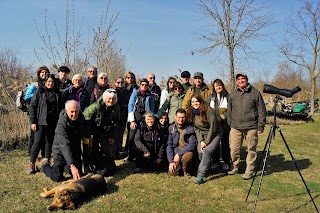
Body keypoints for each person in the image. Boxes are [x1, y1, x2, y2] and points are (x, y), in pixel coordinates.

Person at [227, 72, 267, 180]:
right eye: (239, 79)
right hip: (235, 126)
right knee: (234, 149)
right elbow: (229, 110)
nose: (241, 81)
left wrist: (260, 126)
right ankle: (235, 167)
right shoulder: (233, 94)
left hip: (251, 126)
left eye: (243, 78)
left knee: (251, 149)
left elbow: (261, 110)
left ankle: (249, 171)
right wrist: (230, 122)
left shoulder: (255, 93)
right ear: (236, 81)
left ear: (247, 79)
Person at [37, 100, 85, 182]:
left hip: (74, 151)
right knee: (57, 177)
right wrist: (72, 165)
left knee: (79, 174)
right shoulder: (61, 124)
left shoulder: (81, 119)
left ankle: (67, 165)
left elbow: (85, 136)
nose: (74, 114)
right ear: (66, 111)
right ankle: (45, 166)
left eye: (76, 111)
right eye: (72, 112)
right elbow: (64, 145)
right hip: (60, 151)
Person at [28, 74, 63, 174]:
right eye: (48, 81)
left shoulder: (57, 93)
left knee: (49, 142)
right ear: (45, 82)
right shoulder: (39, 92)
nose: (50, 83)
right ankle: (32, 164)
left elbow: (60, 108)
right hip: (41, 122)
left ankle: (46, 162)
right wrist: (33, 122)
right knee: (37, 142)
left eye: (52, 82)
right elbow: (32, 107)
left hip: (53, 122)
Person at [83, 89, 120, 174]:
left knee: (107, 147)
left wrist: (111, 136)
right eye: (109, 99)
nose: (111, 101)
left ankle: (102, 164)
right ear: (104, 98)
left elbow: (115, 123)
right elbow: (86, 121)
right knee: (89, 146)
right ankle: (86, 165)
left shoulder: (117, 108)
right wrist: (89, 137)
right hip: (89, 129)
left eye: (113, 99)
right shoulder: (95, 107)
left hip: (103, 131)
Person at [186, 94, 221, 184]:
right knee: (200, 152)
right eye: (193, 102)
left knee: (207, 151)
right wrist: (201, 141)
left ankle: (200, 175)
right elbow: (196, 128)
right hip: (203, 135)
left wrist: (206, 142)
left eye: (197, 101)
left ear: (201, 101)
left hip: (215, 134)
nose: (195, 103)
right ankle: (207, 169)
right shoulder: (192, 112)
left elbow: (213, 127)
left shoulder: (209, 110)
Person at [125, 78, 155, 162]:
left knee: (141, 138)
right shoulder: (135, 93)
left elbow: (152, 107)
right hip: (134, 119)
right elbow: (130, 105)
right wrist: (132, 120)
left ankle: (141, 155)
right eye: (142, 85)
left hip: (144, 120)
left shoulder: (150, 95)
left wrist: (150, 119)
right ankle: (130, 156)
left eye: (146, 85)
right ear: (140, 85)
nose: (144, 86)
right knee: (131, 138)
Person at [24, 66, 50, 157]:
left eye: (46, 72)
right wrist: (39, 94)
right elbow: (26, 97)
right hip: (35, 112)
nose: (44, 74)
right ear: (39, 74)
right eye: (42, 72)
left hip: (44, 113)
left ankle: (44, 154)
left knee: (44, 135)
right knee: (34, 134)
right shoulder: (35, 84)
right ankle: (31, 153)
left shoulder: (49, 83)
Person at [208, 79, 231, 171]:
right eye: (216, 86)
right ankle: (215, 161)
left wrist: (223, 117)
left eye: (220, 85)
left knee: (225, 143)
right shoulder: (211, 97)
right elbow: (207, 108)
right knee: (215, 144)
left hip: (225, 124)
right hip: (214, 125)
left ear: (223, 86)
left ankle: (226, 162)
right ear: (214, 87)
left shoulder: (228, 96)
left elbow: (230, 109)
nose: (218, 87)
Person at [167, 108, 196, 177]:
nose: (181, 119)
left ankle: (187, 172)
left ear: (185, 117)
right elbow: (169, 145)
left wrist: (179, 154)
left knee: (187, 158)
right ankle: (180, 168)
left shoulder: (190, 128)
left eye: (183, 117)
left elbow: (192, 145)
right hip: (176, 152)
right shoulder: (171, 128)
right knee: (172, 174)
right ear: (175, 117)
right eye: (179, 117)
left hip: (186, 152)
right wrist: (171, 161)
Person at [114, 77, 131, 158]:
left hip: (124, 116)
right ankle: (114, 152)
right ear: (115, 83)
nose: (120, 84)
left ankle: (118, 150)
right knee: (114, 134)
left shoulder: (127, 92)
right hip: (115, 116)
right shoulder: (113, 92)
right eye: (118, 82)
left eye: (122, 82)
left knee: (121, 134)